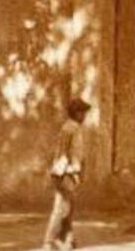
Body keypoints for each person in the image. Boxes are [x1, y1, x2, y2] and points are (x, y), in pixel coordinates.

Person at [44, 97, 91, 251]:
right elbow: (66, 152)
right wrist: (69, 171)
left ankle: (68, 240)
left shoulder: (71, 127)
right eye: (82, 112)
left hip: (67, 172)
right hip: (65, 173)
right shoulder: (71, 128)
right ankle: (49, 241)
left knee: (68, 208)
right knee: (61, 208)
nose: (84, 116)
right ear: (76, 113)